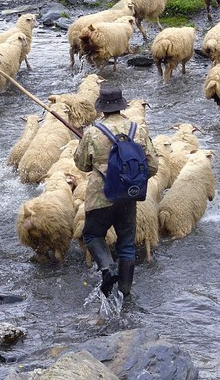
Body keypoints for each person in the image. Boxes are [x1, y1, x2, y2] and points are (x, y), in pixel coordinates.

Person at [73, 81, 157, 301]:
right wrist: (131, 180)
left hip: (101, 196)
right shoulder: (137, 129)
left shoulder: (92, 132)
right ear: (121, 106)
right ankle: (125, 293)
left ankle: (107, 268)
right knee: (127, 244)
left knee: (92, 234)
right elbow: (153, 165)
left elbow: (81, 165)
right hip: (129, 196)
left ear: (101, 107)